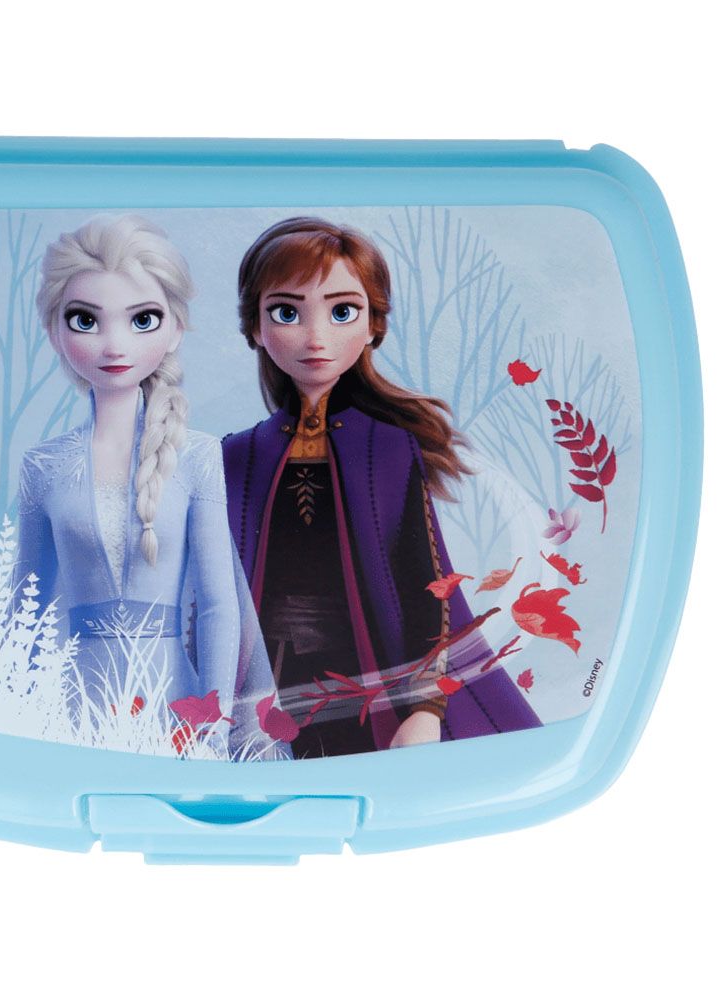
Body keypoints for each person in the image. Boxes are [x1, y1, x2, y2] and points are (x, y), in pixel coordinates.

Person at [222, 216, 542, 758]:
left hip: (364, 677)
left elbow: (428, 582)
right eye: (287, 312)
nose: (316, 337)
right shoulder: (236, 456)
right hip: (265, 685)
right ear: (255, 327)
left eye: (342, 312)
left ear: (373, 325)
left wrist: (425, 708)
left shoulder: (388, 449)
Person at [16, 214, 284, 759]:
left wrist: (214, 720)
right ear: (54, 331)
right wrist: (14, 706)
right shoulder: (43, 467)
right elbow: (25, 604)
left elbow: (218, 605)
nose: (115, 344)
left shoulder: (196, 457)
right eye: (85, 320)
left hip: (175, 701)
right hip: (74, 703)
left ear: (175, 329)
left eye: (142, 319)